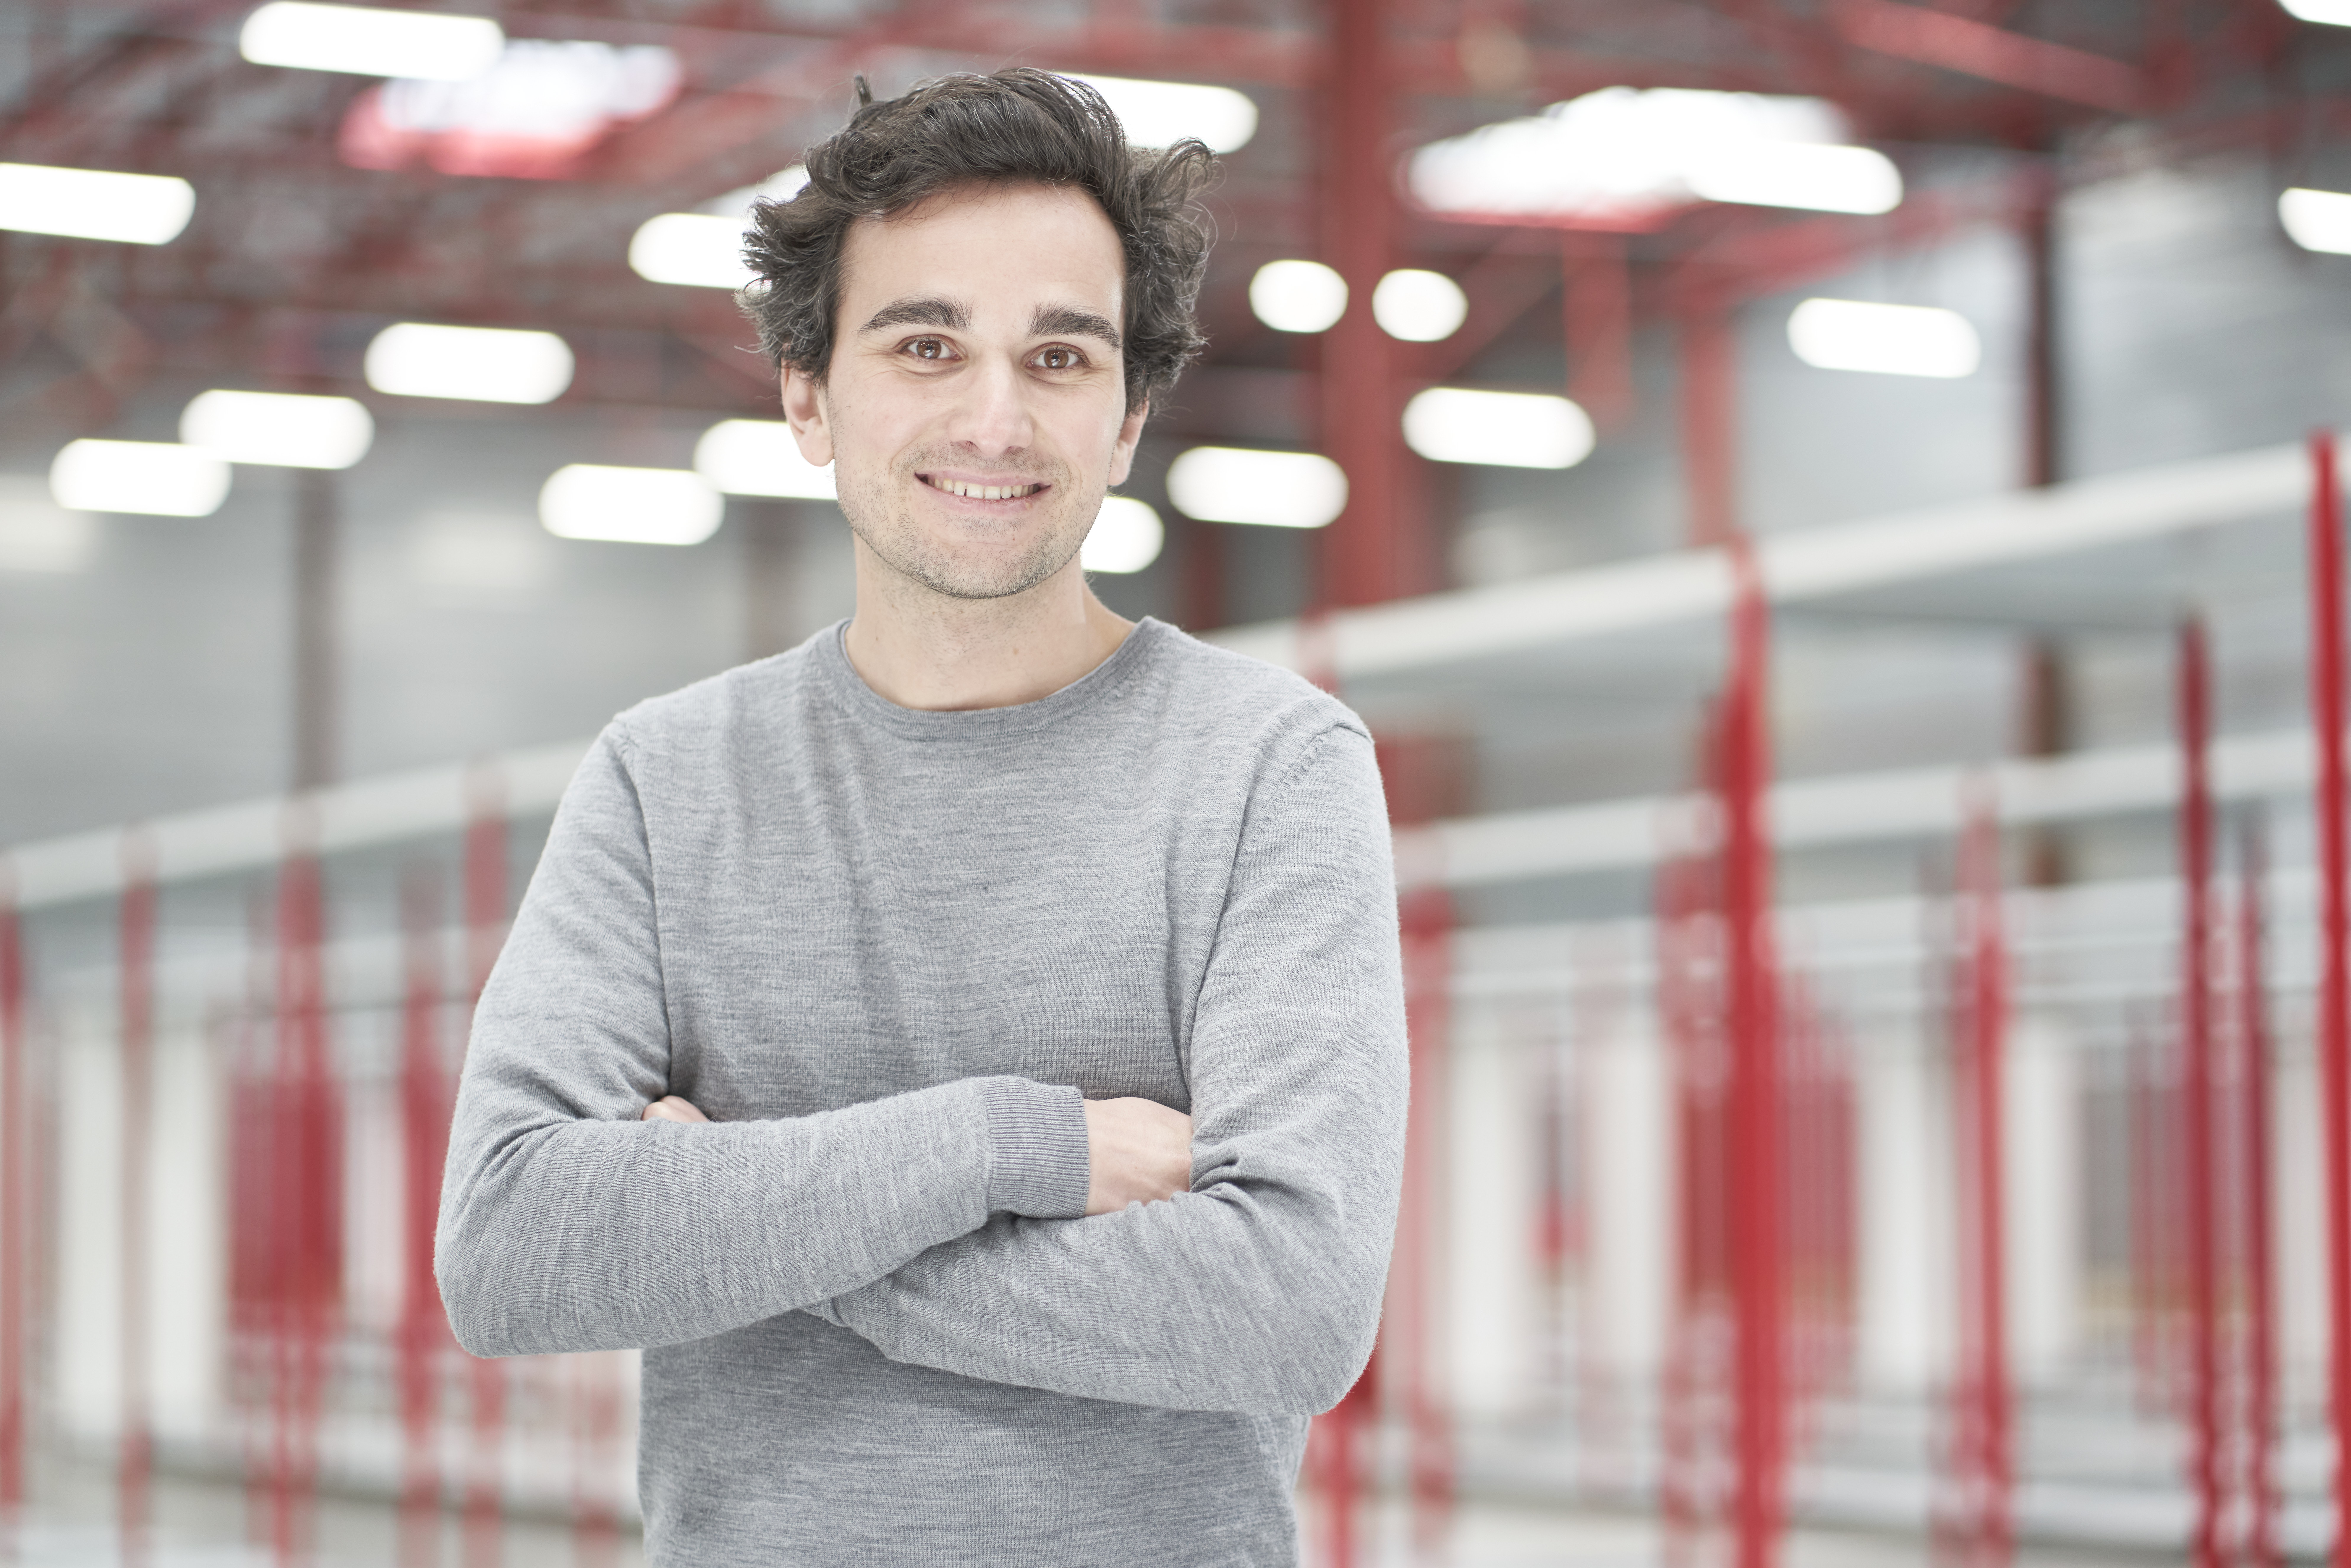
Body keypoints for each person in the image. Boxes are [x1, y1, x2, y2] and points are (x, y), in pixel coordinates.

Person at [435, 67, 1408, 1567]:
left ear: (1130, 418)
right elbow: (511, 1247)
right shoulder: (665, 780)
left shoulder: (1269, 767)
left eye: (1061, 357)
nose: (995, 417)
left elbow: (1288, 1308)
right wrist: (1016, 1149)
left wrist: (741, 1219)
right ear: (809, 395)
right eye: (926, 344)